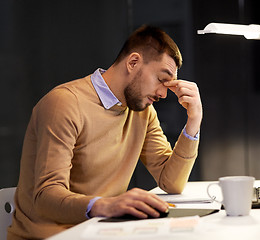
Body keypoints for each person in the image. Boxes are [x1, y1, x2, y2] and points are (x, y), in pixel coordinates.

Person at [8, 25, 202, 240]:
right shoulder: (64, 103)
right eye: (161, 79)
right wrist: (105, 205)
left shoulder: (142, 113)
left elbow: (171, 182)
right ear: (133, 62)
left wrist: (194, 121)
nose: (164, 93)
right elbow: (46, 197)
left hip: (102, 232)